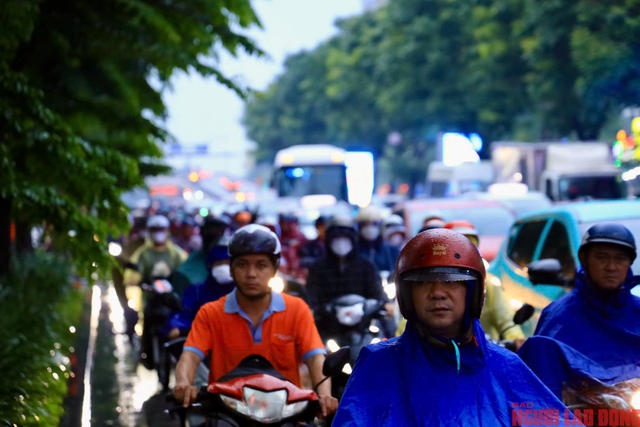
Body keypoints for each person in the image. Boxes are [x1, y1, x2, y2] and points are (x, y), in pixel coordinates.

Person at [332, 229, 573, 426]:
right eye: (423, 282)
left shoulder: (506, 366)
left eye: (452, 282)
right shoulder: (378, 364)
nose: (437, 293)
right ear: (406, 295)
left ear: (473, 293)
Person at [173, 224, 338, 418]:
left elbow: (315, 357)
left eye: (261, 265)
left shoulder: (297, 309)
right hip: (228, 414)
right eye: (242, 264)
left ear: (274, 270)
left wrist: (325, 395)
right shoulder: (210, 312)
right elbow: (190, 356)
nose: (251, 274)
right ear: (232, 269)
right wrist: (183, 384)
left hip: (286, 413)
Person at [518, 223, 640, 398]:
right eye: (602, 257)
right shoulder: (558, 316)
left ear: (629, 263)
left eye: (620, 259)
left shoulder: (637, 312)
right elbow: (542, 380)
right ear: (585, 259)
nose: (611, 267)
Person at [306, 215, 393, 337]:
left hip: (364, 324)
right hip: (329, 325)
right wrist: (311, 309)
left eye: (344, 238)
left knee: (389, 331)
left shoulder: (365, 265)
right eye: (336, 238)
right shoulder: (318, 268)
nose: (341, 243)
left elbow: (376, 290)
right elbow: (312, 295)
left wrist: (385, 303)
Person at [167, 243, 236, 339]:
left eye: (227, 263)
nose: (223, 267)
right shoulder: (197, 292)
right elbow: (185, 313)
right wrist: (177, 327)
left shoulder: (242, 292)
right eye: (219, 263)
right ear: (210, 266)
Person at [173, 215, 230, 293]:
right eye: (209, 231)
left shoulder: (229, 255)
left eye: (217, 231)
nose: (212, 234)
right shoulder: (191, 262)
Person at [356, 206, 399, 274]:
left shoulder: (390, 250)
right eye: (365, 224)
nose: (369, 228)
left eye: (374, 224)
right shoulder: (354, 250)